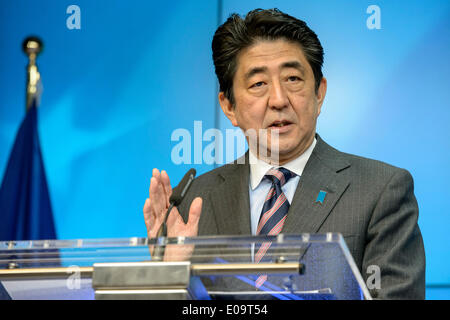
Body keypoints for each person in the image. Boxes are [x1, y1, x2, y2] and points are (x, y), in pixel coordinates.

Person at [143, 8, 425, 299]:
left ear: (319, 93)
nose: (278, 100)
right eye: (258, 84)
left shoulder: (380, 190)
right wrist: (166, 277)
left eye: (292, 78)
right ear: (229, 107)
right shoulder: (193, 203)